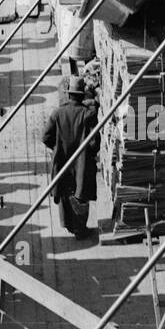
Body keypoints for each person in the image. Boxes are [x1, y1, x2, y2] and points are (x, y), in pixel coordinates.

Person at [42, 76, 101, 239]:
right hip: (82, 165)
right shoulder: (88, 114)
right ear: (82, 95)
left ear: (69, 95)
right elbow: (95, 142)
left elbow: (45, 137)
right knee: (80, 194)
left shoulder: (57, 113)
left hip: (62, 162)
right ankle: (80, 229)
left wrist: (57, 148)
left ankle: (67, 224)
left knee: (65, 192)